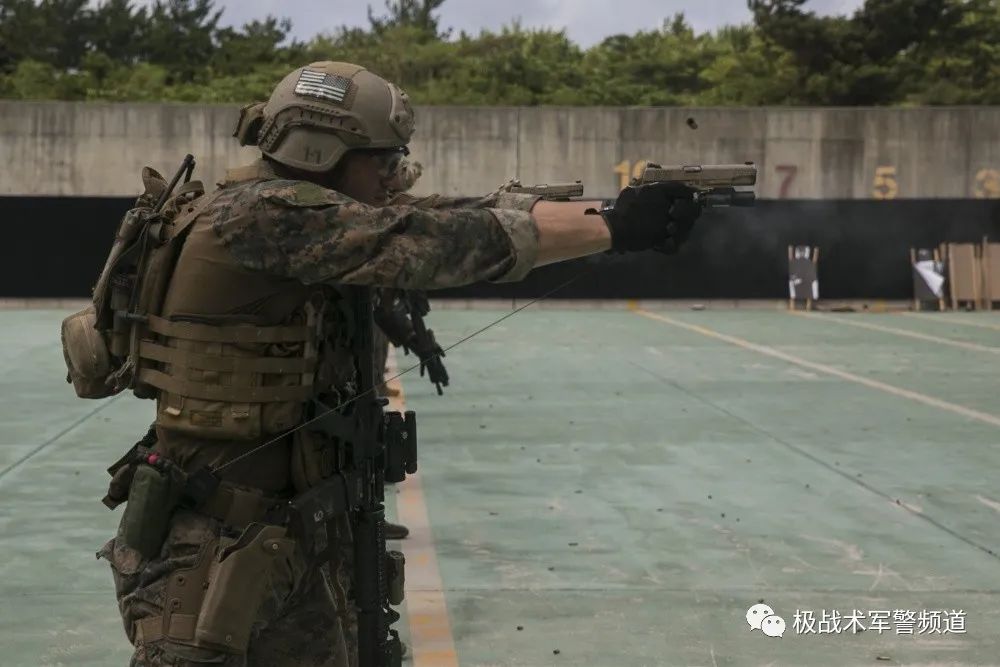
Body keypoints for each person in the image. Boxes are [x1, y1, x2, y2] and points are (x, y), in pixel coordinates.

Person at [89, 61, 700, 667]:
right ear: (320, 152)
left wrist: (606, 214)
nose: (394, 174)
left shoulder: (300, 212)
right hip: (214, 554)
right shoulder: (262, 216)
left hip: (286, 536)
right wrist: (616, 227)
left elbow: (434, 216)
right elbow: (431, 240)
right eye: (381, 159)